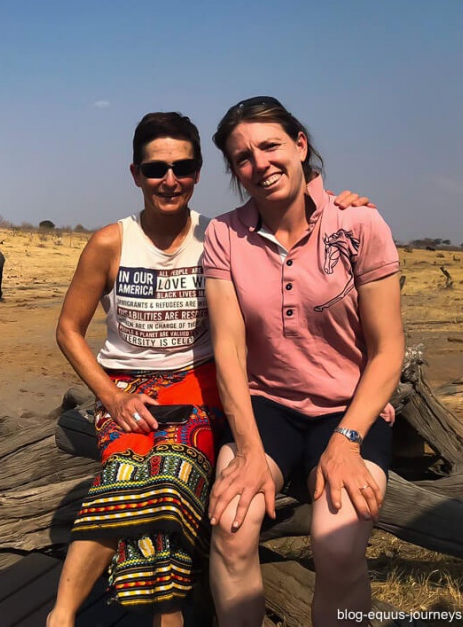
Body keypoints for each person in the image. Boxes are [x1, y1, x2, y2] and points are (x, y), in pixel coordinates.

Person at [47, 111, 370, 627]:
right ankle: (61, 616)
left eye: (183, 166)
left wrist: (339, 204)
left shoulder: (219, 236)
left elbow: (291, 223)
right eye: (156, 169)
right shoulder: (111, 242)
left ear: (198, 172)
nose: (169, 180)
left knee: (174, 480)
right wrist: (112, 398)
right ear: (135, 174)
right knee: (123, 475)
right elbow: (68, 329)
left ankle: (166, 616)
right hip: (127, 390)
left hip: (200, 387)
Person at [202, 96, 404, 627]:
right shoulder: (225, 236)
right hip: (266, 405)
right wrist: (247, 448)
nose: (259, 164)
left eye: (270, 146)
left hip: (349, 407)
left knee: (337, 547)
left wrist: (347, 441)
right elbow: (229, 349)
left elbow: (388, 351)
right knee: (230, 526)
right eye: (242, 158)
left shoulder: (359, 225)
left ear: (299, 144)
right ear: (234, 171)